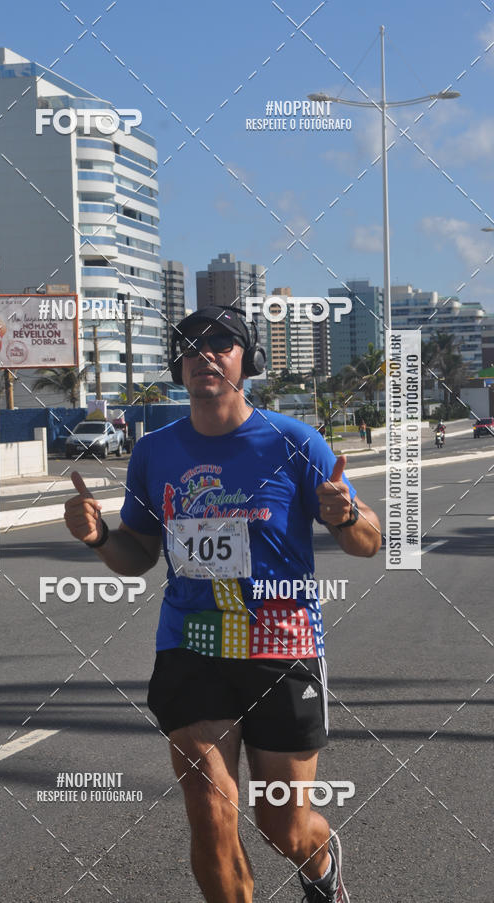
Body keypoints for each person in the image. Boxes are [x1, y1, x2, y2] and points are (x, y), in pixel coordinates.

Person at [64, 306, 382, 903]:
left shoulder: (293, 441)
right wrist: (100, 537)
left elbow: (369, 541)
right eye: (190, 346)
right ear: (178, 365)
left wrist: (347, 517)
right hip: (193, 643)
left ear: (248, 360)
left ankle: (321, 862)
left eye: (221, 343)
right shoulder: (154, 451)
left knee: (284, 826)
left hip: (280, 645)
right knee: (210, 810)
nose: (203, 354)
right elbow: (139, 554)